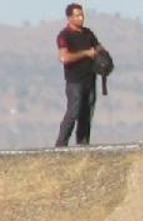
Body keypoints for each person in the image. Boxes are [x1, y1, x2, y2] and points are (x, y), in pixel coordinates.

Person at [55, 3, 102, 147]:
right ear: (70, 18)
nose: (81, 18)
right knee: (73, 112)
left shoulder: (88, 33)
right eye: (77, 16)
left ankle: (83, 145)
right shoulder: (64, 36)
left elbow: (98, 47)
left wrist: (101, 55)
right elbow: (64, 57)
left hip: (90, 78)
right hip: (75, 81)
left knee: (86, 113)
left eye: (82, 15)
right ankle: (61, 144)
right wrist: (85, 53)